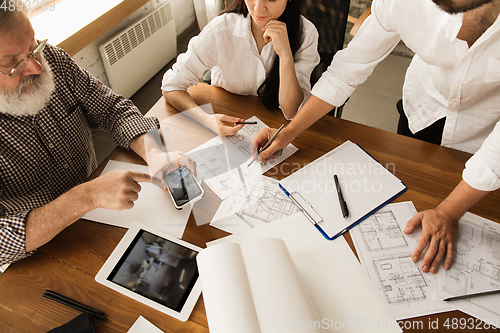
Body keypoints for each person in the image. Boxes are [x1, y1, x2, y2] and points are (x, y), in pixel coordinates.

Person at [251, 0, 500, 273]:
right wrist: (289, 131)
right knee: (414, 190)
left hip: (485, 133)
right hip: (422, 108)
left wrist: (449, 211)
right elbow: (348, 68)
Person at [0, 9, 194, 265]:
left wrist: (155, 153)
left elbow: (112, 108)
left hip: (102, 217)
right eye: (14, 64)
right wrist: (86, 197)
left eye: (34, 46)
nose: (37, 66)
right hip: (41, 254)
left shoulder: (51, 59)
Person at [161, 0, 319, 136]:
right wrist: (206, 120)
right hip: (228, 122)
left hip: (276, 128)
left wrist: (285, 55)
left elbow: (292, 111)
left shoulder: (306, 33)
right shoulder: (222, 28)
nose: (258, 8)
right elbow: (171, 85)